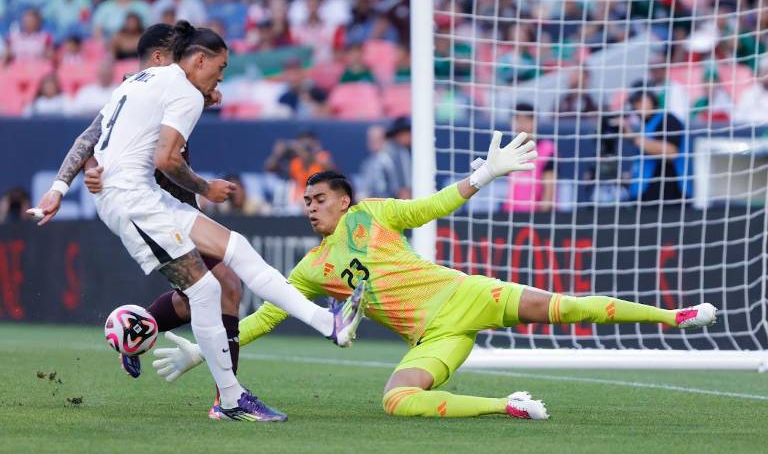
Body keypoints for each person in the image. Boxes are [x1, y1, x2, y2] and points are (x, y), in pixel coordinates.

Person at [149, 137, 716, 419]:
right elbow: (267, 317)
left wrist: (482, 176)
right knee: (396, 401)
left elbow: (433, 205)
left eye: (319, 199)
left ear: (345, 200)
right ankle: (508, 406)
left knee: (565, 308)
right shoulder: (310, 267)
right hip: (435, 338)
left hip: (464, 295)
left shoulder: (373, 213)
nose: (310, 207)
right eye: (306, 201)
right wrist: (207, 350)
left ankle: (676, 316)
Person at [32, 21, 366, 422]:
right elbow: (167, 160)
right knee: (209, 290)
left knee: (235, 253)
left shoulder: (135, 81)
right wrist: (207, 188)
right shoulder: (183, 90)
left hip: (144, 196)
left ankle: (330, 324)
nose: (221, 77)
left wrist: (57, 188)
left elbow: (92, 138)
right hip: (133, 202)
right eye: (220, 67)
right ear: (199, 59)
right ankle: (229, 399)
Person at [621, 87, 690, 203]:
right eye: (634, 102)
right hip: (645, 195)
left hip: (668, 195)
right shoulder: (642, 125)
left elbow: (671, 152)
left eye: (640, 100)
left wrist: (634, 139)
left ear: (652, 99)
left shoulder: (668, 119)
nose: (637, 106)